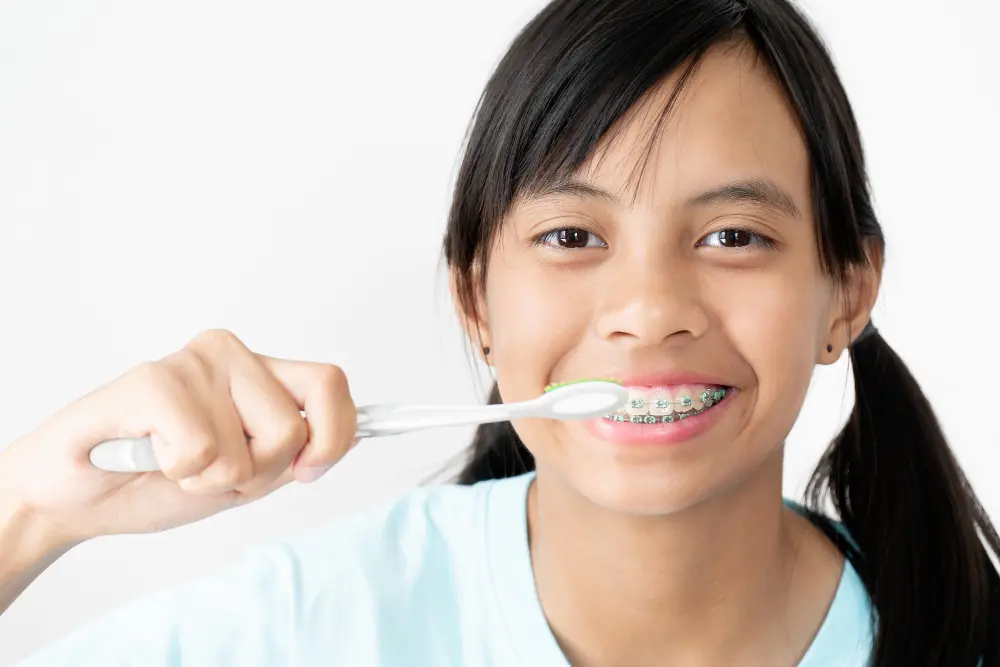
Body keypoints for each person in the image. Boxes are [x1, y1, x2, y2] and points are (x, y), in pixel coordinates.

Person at [1, 0, 997, 664]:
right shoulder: (312, 625)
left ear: (848, 290)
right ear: (475, 301)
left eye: (733, 236)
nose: (649, 308)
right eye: (571, 236)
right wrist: (31, 513)